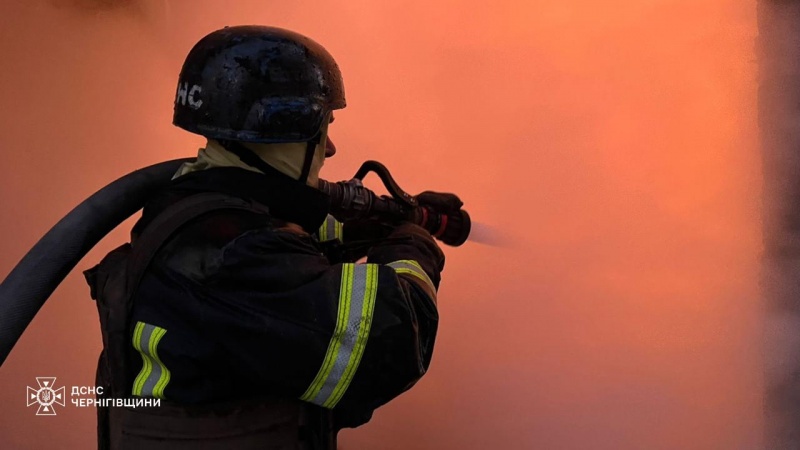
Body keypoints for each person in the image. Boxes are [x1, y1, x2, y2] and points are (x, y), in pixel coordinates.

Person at [84, 25, 445, 449]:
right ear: (287, 124)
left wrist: (375, 226)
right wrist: (414, 246)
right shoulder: (241, 256)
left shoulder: (188, 209)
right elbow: (391, 342)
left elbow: (289, 244)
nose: (329, 148)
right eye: (324, 126)